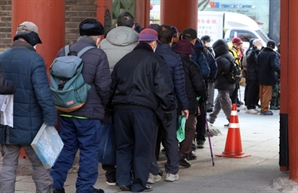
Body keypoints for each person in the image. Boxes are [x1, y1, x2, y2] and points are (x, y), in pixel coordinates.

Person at [109, 28, 175, 192]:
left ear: (139, 42)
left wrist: (108, 109)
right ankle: (138, 184)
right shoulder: (156, 60)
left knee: (123, 146)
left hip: (121, 109)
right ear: (153, 43)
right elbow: (164, 89)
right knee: (142, 147)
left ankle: (123, 180)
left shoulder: (124, 60)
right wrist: (167, 110)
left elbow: (111, 87)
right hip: (144, 110)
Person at [50, 19, 111, 193]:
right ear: (99, 37)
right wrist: (105, 107)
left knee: (66, 147)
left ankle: (55, 184)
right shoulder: (99, 55)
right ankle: (84, 188)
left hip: (65, 110)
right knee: (89, 150)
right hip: (88, 113)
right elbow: (104, 86)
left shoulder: (64, 51)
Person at [0, 21, 57, 193]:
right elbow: (42, 92)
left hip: (7, 122)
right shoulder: (35, 59)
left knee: (8, 164)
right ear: (33, 38)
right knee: (40, 165)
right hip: (33, 125)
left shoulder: (2, 57)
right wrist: (50, 119)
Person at [99, 11, 138, 186]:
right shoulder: (138, 43)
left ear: (116, 25)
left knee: (108, 133)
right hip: (130, 96)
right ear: (134, 26)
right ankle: (127, 170)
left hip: (107, 95)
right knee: (129, 134)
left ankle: (110, 171)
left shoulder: (103, 44)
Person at [151, 24, 189, 183]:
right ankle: (172, 171)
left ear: (156, 39)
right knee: (170, 138)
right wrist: (184, 106)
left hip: (151, 103)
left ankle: (151, 172)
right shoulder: (175, 58)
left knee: (152, 138)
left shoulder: (150, 56)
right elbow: (180, 85)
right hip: (170, 103)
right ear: (172, 39)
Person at [174, 39, 206, 167]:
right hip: (189, 101)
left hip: (171, 100)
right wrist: (202, 98)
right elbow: (199, 85)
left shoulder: (170, 62)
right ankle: (182, 153)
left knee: (171, 127)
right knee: (189, 128)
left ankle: (172, 152)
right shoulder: (192, 65)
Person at [208, 39, 236, 125]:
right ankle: (212, 118)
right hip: (229, 81)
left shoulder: (220, 59)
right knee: (219, 101)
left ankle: (232, 120)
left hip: (223, 83)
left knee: (225, 101)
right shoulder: (229, 54)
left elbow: (215, 72)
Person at [257, 40, 280, 115]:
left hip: (260, 76)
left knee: (261, 94)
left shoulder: (261, 53)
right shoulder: (272, 54)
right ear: (273, 47)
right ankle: (265, 109)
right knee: (267, 94)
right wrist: (280, 72)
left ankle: (262, 107)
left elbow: (257, 64)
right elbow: (274, 65)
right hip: (269, 76)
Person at [245, 39, 263, 114]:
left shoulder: (259, 51)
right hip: (252, 74)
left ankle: (253, 105)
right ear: (254, 44)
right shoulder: (251, 51)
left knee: (256, 91)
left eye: (260, 43)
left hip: (257, 74)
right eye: (258, 43)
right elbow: (249, 58)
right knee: (251, 90)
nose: (260, 44)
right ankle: (249, 106)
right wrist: (254, 51)